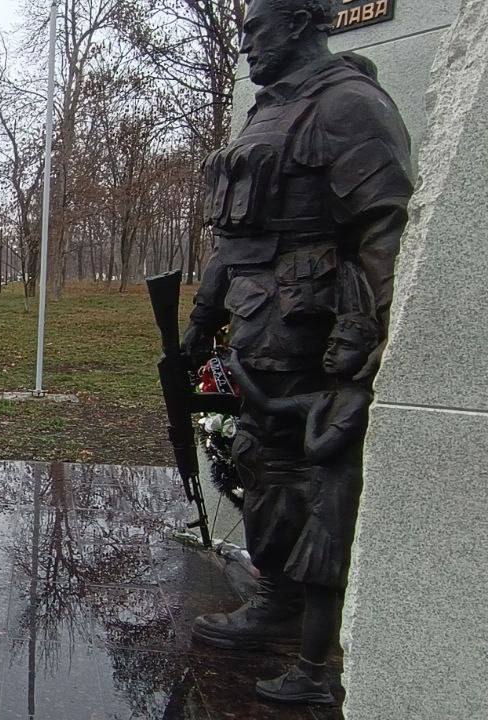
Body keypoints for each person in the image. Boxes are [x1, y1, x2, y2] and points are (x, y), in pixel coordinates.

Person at [180, 0, 413, 703]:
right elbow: (236, 238)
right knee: (262, 464)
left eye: (257, 28)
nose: (247, 44)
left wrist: (364, 348)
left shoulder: (348, 105)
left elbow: (384, 233)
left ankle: (314, 648)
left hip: (316, 335)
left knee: (313, 487)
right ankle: (275, 600)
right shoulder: (267, 110)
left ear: (304, 22)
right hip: (259, 330)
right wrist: (203, 319)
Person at [219, 262, 378, 704]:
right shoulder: (329, 397)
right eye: (331, 343)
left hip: (332, 513)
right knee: (317, 590)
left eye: (343, 347)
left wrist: (312, 417)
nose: (331, 352)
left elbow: (317, 450)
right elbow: (269, 404)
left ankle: (312, 673)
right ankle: (309, 667)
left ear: (367, 357)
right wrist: (236, 366)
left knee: (321, 592)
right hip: (322, 507)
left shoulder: (351, 403)